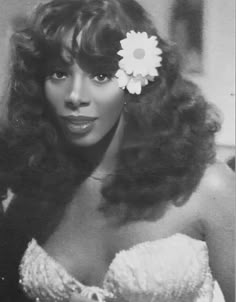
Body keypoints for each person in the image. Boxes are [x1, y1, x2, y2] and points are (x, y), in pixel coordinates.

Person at [0, 0, 234, 301]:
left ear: (136, 81)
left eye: (100, 75)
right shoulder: (33, 195)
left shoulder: (210, 188)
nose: (75, 96)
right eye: (58, 74)